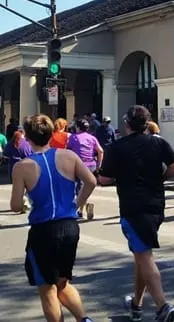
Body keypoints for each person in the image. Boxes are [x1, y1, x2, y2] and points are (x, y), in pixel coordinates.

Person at [10, 114, 96, 322]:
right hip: (69, 226)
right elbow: (91, 181)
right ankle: (84, 319)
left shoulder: (22, 167)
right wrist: (78, 204)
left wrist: (25, 202)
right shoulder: (68, 156)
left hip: (44, 229)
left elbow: (14, 206)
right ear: (51, 134)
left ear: (27, 137)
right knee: (62, 282)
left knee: (47, 288)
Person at [100, 105, 174, 322]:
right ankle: (136, 304)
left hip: (132, 206)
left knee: (144, 256)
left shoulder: (117, 147)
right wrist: (161, 178)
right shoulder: (158, 142)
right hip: (156, 205)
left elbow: (104, 178)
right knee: (141, 254)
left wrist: (119, 177)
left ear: (127, 123)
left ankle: (162, 305)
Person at [67, 119, 103, 219]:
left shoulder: (73, 137)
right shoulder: (92, 138)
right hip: (91, 165)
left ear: (78, 127)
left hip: (79, 164)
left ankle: (81, 210)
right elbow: (100, 151)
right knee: (85, 187)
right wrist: (99, 165)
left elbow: (68, 151)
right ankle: (82, 209)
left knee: (79, 188)